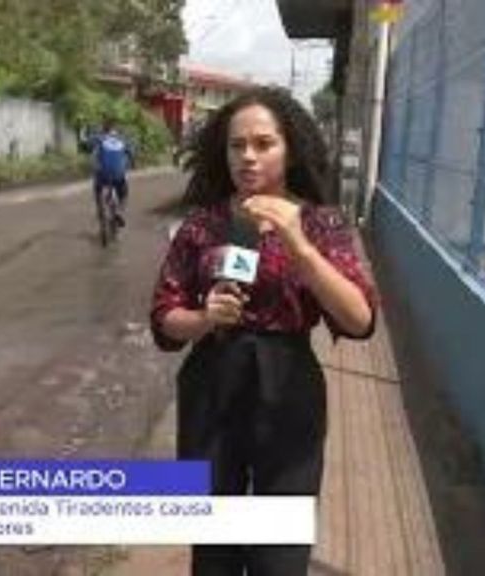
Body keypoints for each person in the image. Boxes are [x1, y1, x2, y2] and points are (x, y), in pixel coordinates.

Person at [149, 86, 377, 576]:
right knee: (214, 553)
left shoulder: (321, 224)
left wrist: (299, 245)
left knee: (280, 556)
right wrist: (205, 318)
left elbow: (359, 320)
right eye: (237, 145)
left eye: (263, 144)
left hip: (288, 389)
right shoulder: (202, 226)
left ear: (289, 150)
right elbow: (164, 316)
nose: (247, 156)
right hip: (212, 387)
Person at [88, 119, 135, 227]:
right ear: (115, 129)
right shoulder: (122, 139)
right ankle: (119, 211)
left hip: (102, 175)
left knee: (97, 188)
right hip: (118, 174)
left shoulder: (99, 139)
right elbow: (131, 153)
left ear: (103, 129)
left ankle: (100, 209)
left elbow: (90, 146)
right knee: (124, 194)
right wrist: (132, 164)